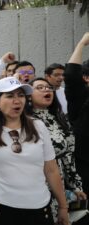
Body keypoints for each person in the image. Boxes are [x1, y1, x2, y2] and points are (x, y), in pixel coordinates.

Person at [0, 77, 69, 225]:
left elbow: (51, 169)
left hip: (39, 207)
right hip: (0, 207)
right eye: (9, 96)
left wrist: (63, 206)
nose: (17, 100)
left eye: (20, 95)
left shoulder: (38, 126)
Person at [28, 77, 87, 222]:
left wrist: (76, 186)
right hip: (36, 183)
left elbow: (68, 155)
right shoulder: (24, 121)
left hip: (59, 182)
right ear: (28, 96)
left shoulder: (59, 117)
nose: (46, 89)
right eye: (40, 88)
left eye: (48, 87)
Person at [64, 32, 89, 208]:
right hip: (84, 165)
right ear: (86, 78)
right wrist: (82, 43)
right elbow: (72, 75)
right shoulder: (81, 98)